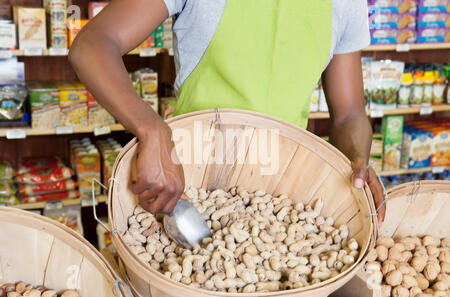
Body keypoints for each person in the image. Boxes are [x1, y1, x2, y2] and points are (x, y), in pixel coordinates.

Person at [69, 0, 386, 226]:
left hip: (283, 199)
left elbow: (350, 115)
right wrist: (152, 129)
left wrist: (357, 160)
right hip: (187, 186)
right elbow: (93, 44)